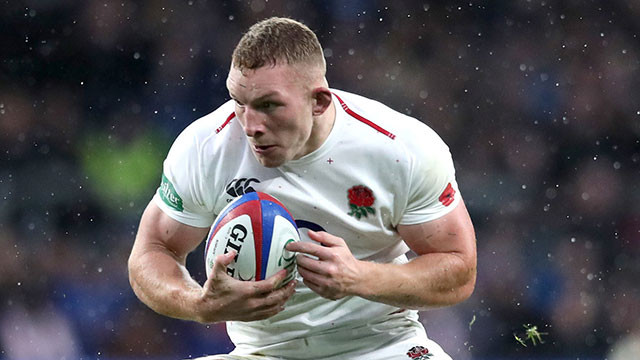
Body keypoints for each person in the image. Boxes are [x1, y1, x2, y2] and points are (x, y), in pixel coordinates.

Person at [128, 16, 477, 360]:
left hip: (382, 346)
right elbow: (152, 250)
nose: (250, 126)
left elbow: (459, 270)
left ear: (319, 101)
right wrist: (200, 305)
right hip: (260, 353)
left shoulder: (401, 149)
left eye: (269, 105)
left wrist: (361, 277)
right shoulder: (206, 147)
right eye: (238, 101)